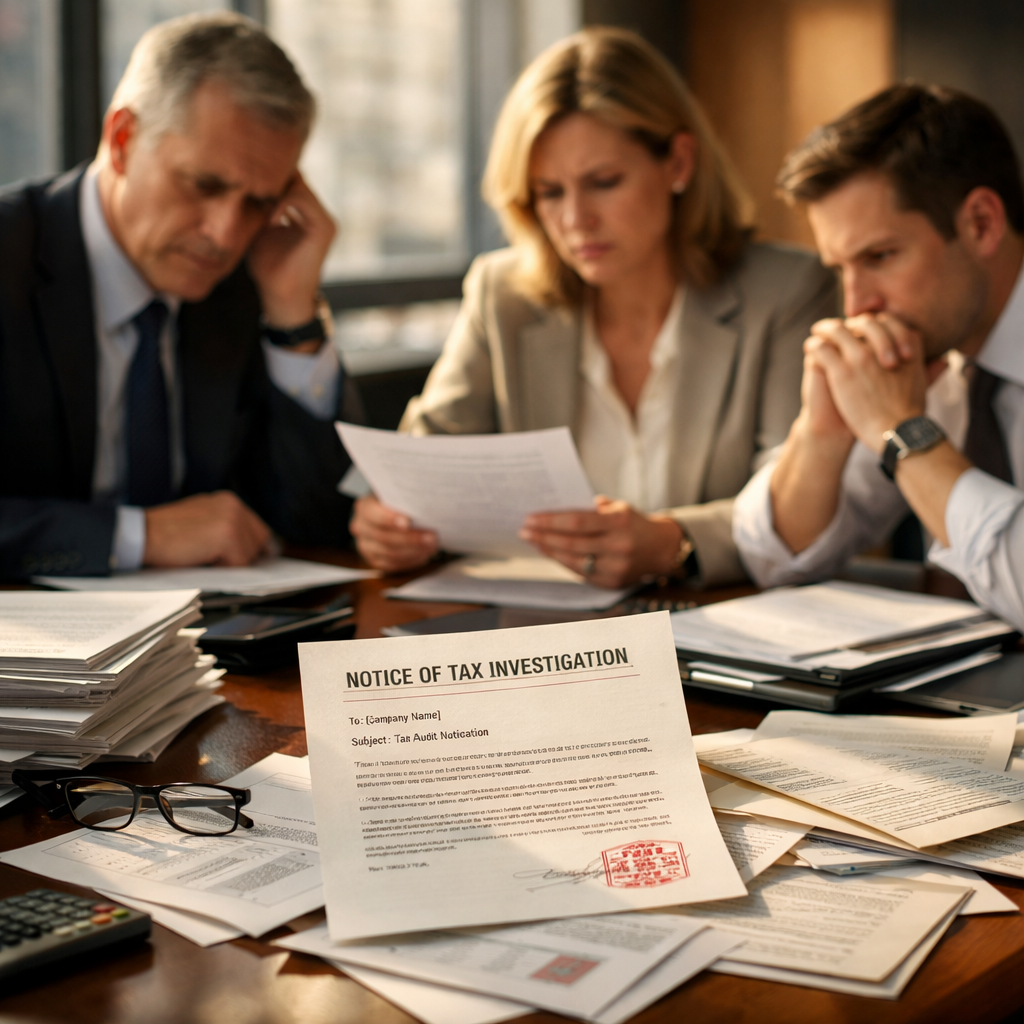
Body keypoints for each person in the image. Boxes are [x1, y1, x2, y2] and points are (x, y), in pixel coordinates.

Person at [350, 27, 836, 589]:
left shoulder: (787, 289)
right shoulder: (503, 292)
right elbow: (422, 461)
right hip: (547, 635)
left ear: (678, 163)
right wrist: (387, 521)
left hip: (722, 627)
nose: (575, 220)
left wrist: (670, 541)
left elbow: (798, 497)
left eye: (603, 182)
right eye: (549, 193)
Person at [0, 12, 361, 580]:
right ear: (122, 140)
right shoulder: (10, 256)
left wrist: (293, 314)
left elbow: (319, 519)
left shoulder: (243, 280)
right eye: (205, 185)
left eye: (258, 202)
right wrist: (144, 535)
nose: (225, 233)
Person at [733, 84, 1024, 630]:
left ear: (981, 223)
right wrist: (821, 433)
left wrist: (903, 433)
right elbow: (773, 557)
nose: (856, 303)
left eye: (880, 256)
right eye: (841, 268)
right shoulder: (922, 351)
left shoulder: (914, 377)